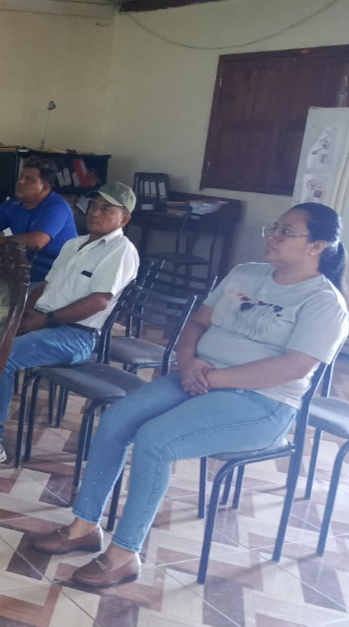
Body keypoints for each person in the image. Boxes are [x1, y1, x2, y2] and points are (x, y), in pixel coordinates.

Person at [34, 203, 349, 589]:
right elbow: (198, 323)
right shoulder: (246, 273)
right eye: (275, 227)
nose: (273, 237)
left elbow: (294, 367)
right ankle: (84, 526)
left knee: (156, 441)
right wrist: (187, 363)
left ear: (317, 246)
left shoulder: (324, 302)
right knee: (116, 419)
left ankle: (124, 555)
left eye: (287, 232)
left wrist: (214, 378)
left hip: (261, 402)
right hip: (197, 377)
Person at [0, 182, 140, 467]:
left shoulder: (121, 251)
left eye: (106, 209)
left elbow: (98, 301)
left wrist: (43, 321)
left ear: (124, 219)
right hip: (44, 321)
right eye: (94, 205)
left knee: (5, 355)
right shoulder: (74, 244)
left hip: (76, 335)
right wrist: (20, 314)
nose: (95, 213)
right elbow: (46, 286)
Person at [0, 156, 77, 285]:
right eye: (21, 177)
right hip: (21, 274)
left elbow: (36, 242)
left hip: (54, 279)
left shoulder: (57, 207)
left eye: (29, 179)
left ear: (44, 188)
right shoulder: (13, 204)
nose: (20, 182)